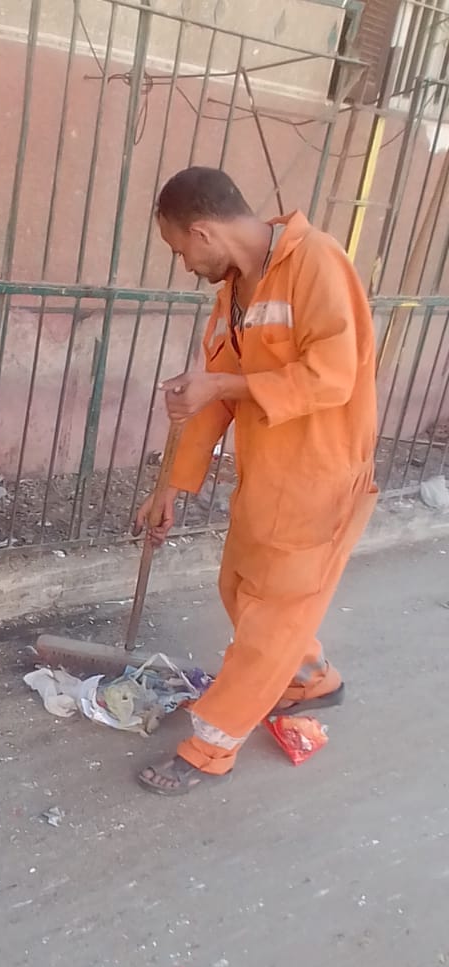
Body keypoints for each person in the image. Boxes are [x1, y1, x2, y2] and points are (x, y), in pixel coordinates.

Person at [133, 166, 378, 796]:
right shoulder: (233, 294)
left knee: (270, 622)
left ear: (203, 232)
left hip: (320, 479)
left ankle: (210, 749)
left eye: (179, 250)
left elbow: (333, 376)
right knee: (240, 590)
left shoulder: (316, 262)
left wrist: (222, 383)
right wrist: (170, 487)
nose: (184, 264)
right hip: (266, 479)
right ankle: (311, 677)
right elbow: (214, 399)